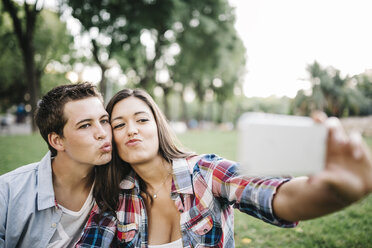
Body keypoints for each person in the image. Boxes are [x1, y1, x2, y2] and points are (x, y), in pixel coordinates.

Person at [76, 88, 372, 248]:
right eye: (119, 124)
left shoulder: (205, 172)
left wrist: (329, 190)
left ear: (158, 126)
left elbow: (274, 195)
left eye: (141, 119)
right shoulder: (114, 197)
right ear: (112, 137)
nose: (131, 130)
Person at [0, 82, 112, 248]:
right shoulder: (7, 192)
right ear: (57, 141)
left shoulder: (117, 189)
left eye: (104, 121)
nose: (102, 133)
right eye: (85, 125)